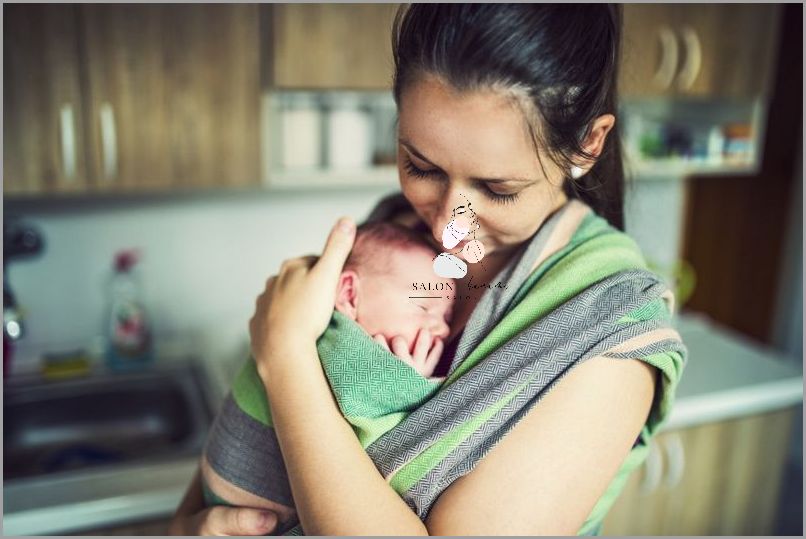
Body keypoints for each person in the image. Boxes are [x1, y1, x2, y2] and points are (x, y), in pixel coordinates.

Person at [170, 4, 687, 535]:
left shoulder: (613, 331)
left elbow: (289, 375)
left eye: (496, 189)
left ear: (588, 143)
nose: (447, 228)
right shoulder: (391, 224)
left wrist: (284, 357)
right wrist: (185, 529)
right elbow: (241, 447)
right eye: (422, 167)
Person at [199, 222, 454, 534]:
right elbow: (376, 421)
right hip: (252, 500)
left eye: (446, 317)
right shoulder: (343, 341)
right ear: (349, 294)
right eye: (425, 306)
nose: (441, 328)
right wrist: (409, 381)